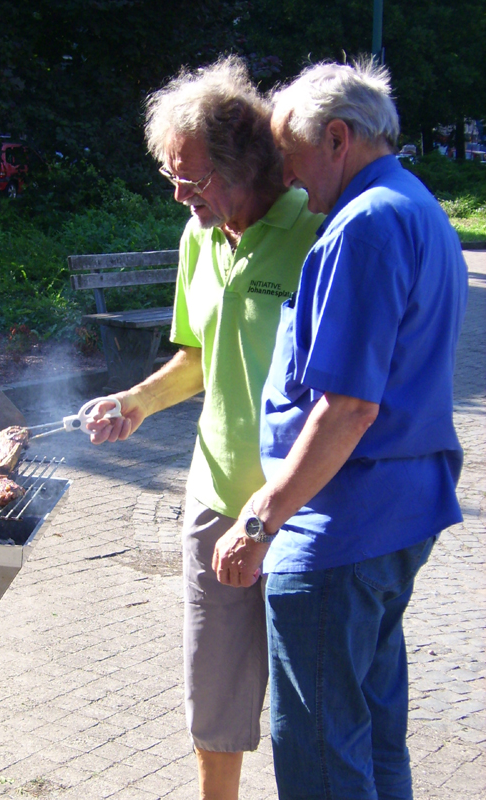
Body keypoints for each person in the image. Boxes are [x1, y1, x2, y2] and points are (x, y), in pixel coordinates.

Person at [212, 60, 468, 800]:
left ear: (336, 138)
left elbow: (349, 408)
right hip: (395, 520)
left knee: (322, 754)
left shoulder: (362, 227)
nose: (291, 182)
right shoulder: (418, 206)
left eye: (293, 161)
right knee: (374, 735)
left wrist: (260, 520)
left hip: (340, 531)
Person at [86, 55, 323, 800]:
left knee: (309, 705)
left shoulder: (316, 231)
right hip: (214, 497)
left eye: (193, 177)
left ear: (245, 163)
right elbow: (197, 357)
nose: (180, 193)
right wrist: (136, 402)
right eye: (172, 177)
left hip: (304, 506)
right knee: (214, 702)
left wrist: (274, 512)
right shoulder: (198, 239)